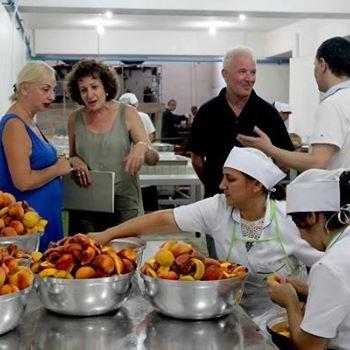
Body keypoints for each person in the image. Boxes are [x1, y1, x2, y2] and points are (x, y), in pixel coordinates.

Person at [89, 147, 322, 305]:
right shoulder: (218, 208)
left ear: (256, 185)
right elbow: (163, 219)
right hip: (231, 308)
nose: (221, 185)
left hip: (281, 317)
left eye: (230, 179)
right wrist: (108, 234)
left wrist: (306, 292)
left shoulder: (289, 220)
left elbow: (329, 267)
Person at [186, 46, 294, 256]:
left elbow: (284, 159)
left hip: (257, 211)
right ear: (225, 74)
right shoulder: (208, 112)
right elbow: (197, 160)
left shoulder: (267, 113)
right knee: (220, 267)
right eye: (242, 72)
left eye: (253, 72)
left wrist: (260, 188)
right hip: (218, 205)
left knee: (254, 262)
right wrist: (217, 184)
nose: (249, 78)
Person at [65, 59, 159, 234]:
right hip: (87, 205)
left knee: (126, 257)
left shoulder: (127, 113)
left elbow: (153, 159)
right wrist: (75, 161)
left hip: (125, 206)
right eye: (83, 90)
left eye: (94, 87)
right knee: (87, 257)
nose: (89, 94)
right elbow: (72, 155)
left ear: (106, 87)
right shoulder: (74, 119)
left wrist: (142, 146)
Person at [238, 36, 350, 171]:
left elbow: (317, 162)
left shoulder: (333, 104)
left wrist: (268, 148)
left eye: (314, 67)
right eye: (242, 72)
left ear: (322, 65)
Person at [268, 168, 350, 350]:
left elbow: (310, 346)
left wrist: (290, 302)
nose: (301, 236)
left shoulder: (328, 267)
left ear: (312, 216)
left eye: (298, 224)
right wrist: (311, 291)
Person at [0, 61, 72, 251]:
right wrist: (57, 169)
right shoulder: (14, 125)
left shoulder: (29, 121)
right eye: (45, 89)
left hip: (44, 218)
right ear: (24, 88)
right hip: (28, 225)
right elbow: (22, 181)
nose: (51, 96)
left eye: (53, 89)